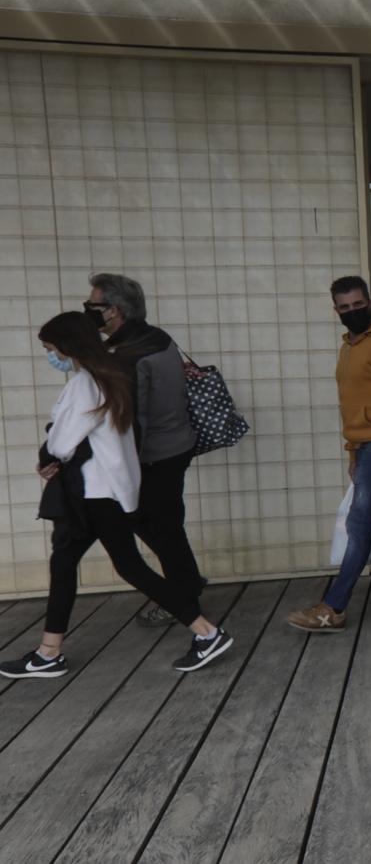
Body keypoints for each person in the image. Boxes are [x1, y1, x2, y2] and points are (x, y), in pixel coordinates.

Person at [2, 313, 232, 678]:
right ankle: (49, 652)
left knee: (118, 566)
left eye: (49, 349)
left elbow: (62, 441)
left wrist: (47, 457)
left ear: (67, 347)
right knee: (79, 563)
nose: (49, 356)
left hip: (92, 493)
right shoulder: (111, 376)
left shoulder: (84, 384)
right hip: (113, 490)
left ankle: (206, 632)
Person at [288, 276, 371, 631]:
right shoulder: (350, 346)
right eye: (344, 308)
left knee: (359, 525)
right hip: (368, 448)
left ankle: (333, 607)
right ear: (336, 310)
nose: (352, 312)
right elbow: (352, 404)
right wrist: (352, 451)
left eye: (357, 305)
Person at [84, 273, 205, 628]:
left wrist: (122, 469)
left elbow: (132, 422)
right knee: (165, 526)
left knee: (156, 527)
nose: (87, 311)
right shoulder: (159, 338)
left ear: (114, 311)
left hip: (153, 456)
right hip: (177, 446)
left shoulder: (128, 356)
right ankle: (187, 584)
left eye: (93, 305)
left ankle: (183, 599)